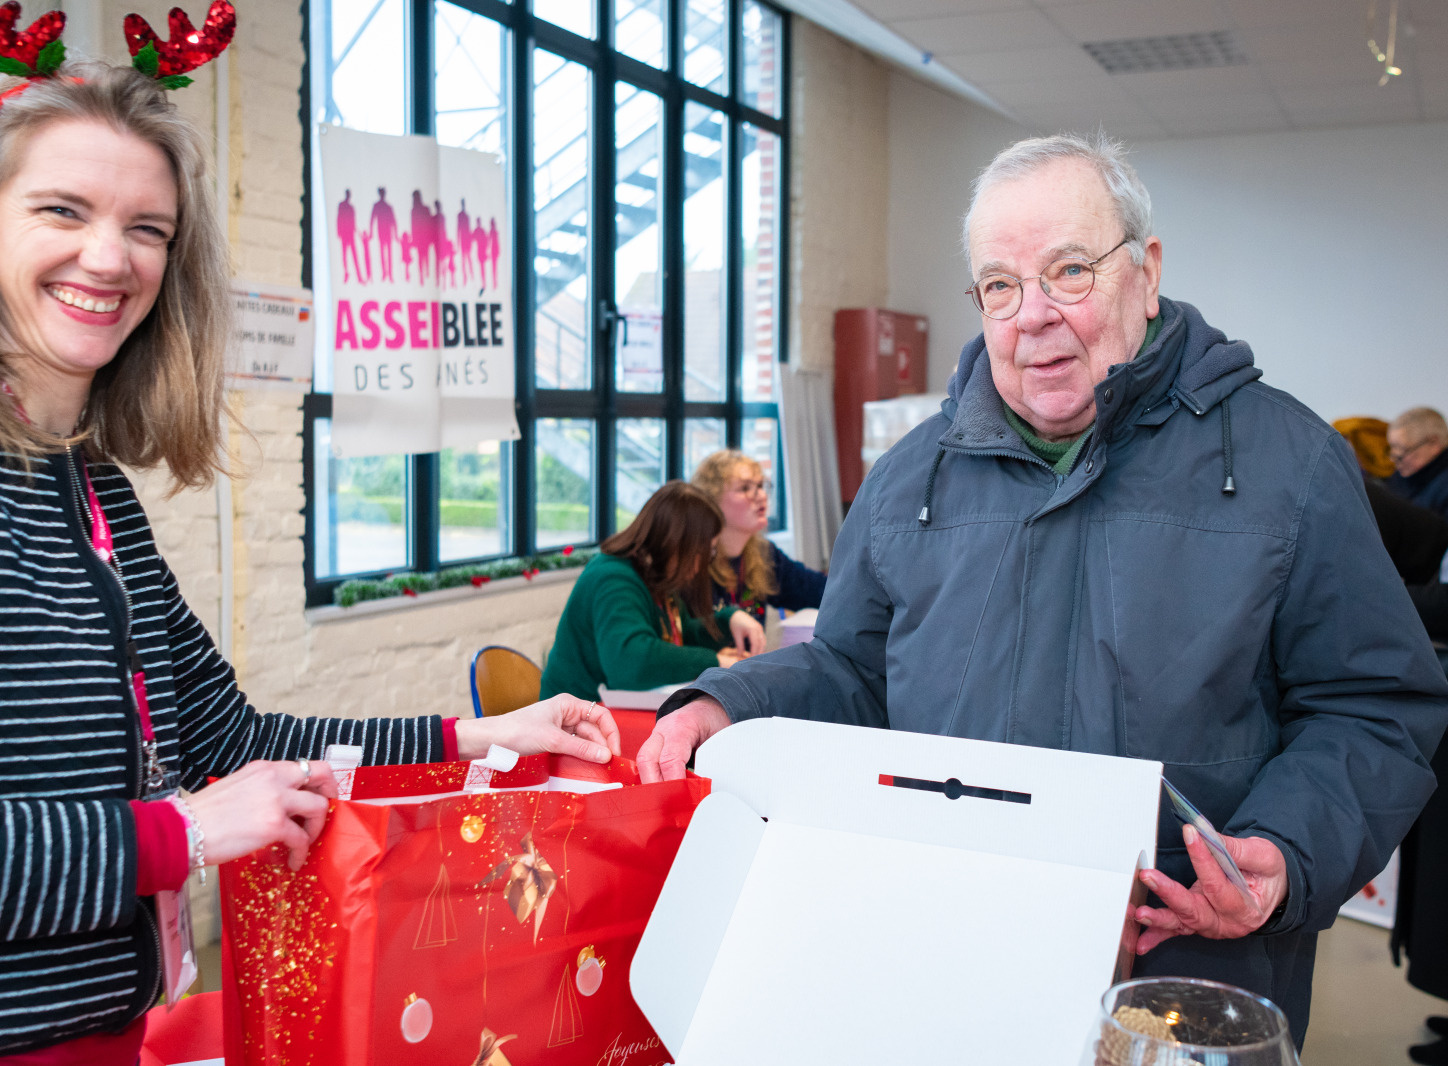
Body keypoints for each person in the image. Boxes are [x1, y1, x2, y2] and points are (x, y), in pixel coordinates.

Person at [0, 56, 620, 1063]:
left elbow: (235, 738)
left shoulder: (89, 490)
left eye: (146, 229)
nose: (109, 257)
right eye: (61, 211)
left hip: (102, 1031)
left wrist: (479, 733)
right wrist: (180, 835)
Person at [637, 132, 1448, 1045]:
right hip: (948, 951)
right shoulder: (912, 481)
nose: (1032, 315)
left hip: (1178, 970)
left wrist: (1287, 852)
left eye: (1069, 270)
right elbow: (857, 674)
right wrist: (730, 702)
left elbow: (1374, 705)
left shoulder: (1288, 465)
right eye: (1000, 285)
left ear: (1144, 273)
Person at [539, 480, 765, 701]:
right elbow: (630, 662)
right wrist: (713, 660)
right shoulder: (613, 577)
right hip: (572, 719)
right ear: (678, 546)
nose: (705, 562)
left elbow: (682, 636)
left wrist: (729, 620)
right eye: (706, 551)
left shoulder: (656, 571)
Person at [690, 449, 826, 626]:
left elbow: (818, 591)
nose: (761, 496)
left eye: (761, 486)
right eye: (745, 488)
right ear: (711, 500)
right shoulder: (691, 561)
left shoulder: (763, 553)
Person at [1388, 407, 1448, 521]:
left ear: (1433, 443)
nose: (1393, 459)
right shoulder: (1400, 477)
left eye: (1403, 451)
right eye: (1392, 449)